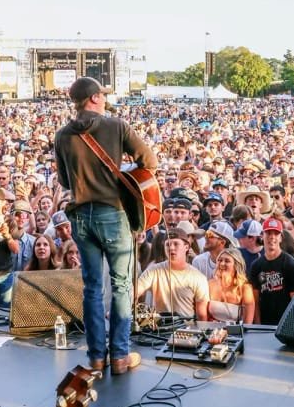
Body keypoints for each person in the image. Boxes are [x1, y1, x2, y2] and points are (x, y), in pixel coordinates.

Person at [55, 76, 158, 376]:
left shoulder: (63, 135)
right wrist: (123, 171)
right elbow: (148, 160)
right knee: (122, 286)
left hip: (80, 217)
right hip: (112, 213)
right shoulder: (117, 126)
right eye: (101, 94)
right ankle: (120, 356)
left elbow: (64, 181)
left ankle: (96, 358)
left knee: (92, 288)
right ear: (95, 98)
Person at [135, 228, 210, 320]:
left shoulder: (198, 277)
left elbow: (202, 315)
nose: (171, 248)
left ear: (186, 247)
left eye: (176, 244)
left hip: (186, 328)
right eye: (168, 244)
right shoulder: (153, 270)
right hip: (159, 329)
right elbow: (135, 292)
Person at [248, 216, 294, 325]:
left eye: (276, 233)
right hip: (264, 324)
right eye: (268, 233)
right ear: (262, 236)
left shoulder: (290, 264)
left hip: (285, 324)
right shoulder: (256, 266)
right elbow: (255, 300)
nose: (272, 237)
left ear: (281, 238)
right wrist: (258, 326)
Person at [207, 247, 256, 323]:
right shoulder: (209, 284)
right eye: (220, 260)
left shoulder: (245, 288)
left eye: (227, 261)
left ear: (236, 266)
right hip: (213, 332)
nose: (222, 263)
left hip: (237, 333)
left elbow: (248, 324)